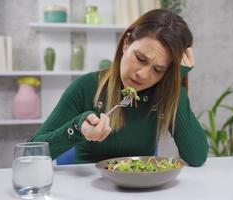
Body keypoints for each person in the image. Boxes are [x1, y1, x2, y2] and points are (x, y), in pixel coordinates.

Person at [29, 9, 209, 167]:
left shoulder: (161, 93)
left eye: (158, 69)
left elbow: (196, 157)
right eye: (140, 58)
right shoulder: (86, 87)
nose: (143, 75)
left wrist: (175, 82)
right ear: (126, 43)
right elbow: (31, 153)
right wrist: (77, 128)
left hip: (141, 190)